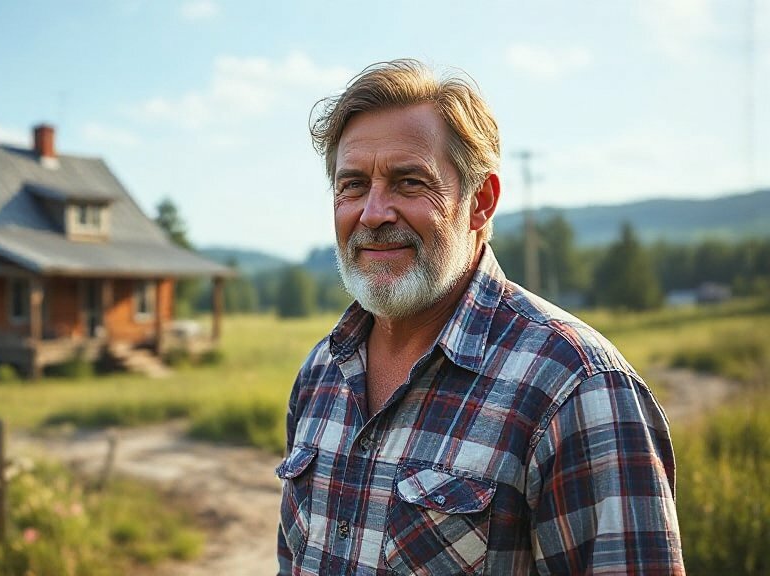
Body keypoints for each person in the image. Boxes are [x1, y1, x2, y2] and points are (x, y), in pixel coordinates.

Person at [277, 59, 684, 575]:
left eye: (408, 182)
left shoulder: (576, 387)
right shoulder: (320, 372)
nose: (373, 213)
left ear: (481, 203)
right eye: (353, 185)